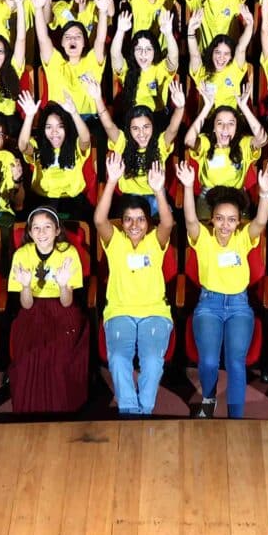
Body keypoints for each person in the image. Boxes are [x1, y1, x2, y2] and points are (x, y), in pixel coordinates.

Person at [182, 165, 268, 419]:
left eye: (231, 220)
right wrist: (189, 187)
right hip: (209, 305)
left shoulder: (243, 238)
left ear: (238, 222)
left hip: (239, 307)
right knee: (209, 362)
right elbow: (189, 219)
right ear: (212, 218)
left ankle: (236, 417)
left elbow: (261, 222)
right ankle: (209, 398)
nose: (225, 225)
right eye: (220, 218)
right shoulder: (204, 239)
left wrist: (264, 193)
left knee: (235, 362)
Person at [96, 161, 176, 416]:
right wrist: (111, 182)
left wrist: (158, 191)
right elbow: (99, 219)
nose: (134, 225)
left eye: (140, 219)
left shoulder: (155, 242)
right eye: (128, 219)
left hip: (154, 313)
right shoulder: (115, 242)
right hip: (120, 313)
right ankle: (130, 412)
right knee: (119, 360)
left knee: (152, 361)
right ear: (121, 222)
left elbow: (167, 222)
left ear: (147, 222)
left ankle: (145, 410)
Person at [4, 205, 91, 415]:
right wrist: (25, 286)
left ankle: (62, 410)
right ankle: (28, 412)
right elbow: (25, 304)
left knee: (59, 356)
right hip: (33, 310)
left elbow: (67, 302)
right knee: (27, 358)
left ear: (57, 230)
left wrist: (63, 285)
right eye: (36, 228)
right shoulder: (21, 254)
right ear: (30, 232)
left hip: (61, 309)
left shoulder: (68, 253)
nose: (42, 233)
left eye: (47, 227)